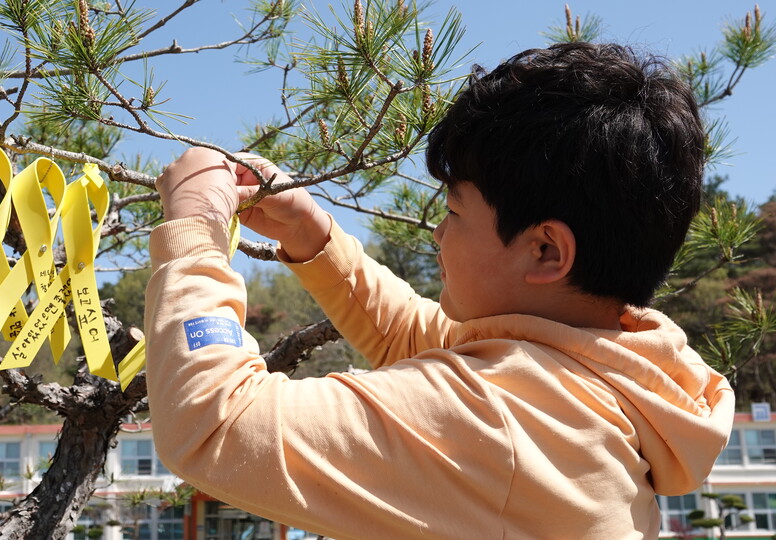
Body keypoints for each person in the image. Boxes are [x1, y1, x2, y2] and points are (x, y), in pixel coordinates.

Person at [144, 42, 734, 539]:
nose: (437, 230)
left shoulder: (500, 421)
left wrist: (194, 232)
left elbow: (214, 422)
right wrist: (311, 233)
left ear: (546, 251)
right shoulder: (606, 378)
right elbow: (416, 338)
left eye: (454, 210)